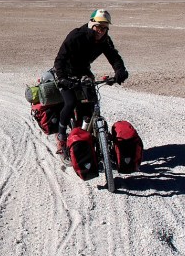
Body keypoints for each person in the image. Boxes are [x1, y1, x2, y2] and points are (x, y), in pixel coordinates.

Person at [53, 9, 129, 155]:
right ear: (91, 24)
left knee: (91, 105)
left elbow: (114, 56)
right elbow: (60, 59)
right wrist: (62, 78)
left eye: (105, 28)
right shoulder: (76, 36)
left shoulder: (104, 40)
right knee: (70, 103)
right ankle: (61, 137)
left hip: (83, 72)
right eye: (99, 27)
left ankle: (86, 136)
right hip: (65, 73)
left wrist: (120, 71)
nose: (101, 31)